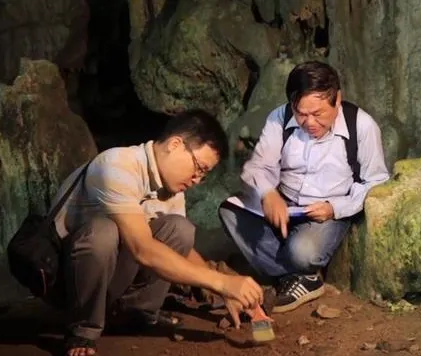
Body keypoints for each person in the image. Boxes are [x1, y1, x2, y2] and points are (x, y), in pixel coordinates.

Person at [48, 109, 264, 356]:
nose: (196, 179)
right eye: (199, 168)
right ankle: (83, 328)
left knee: (179, 229)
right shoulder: (116, 165)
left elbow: (178, 249)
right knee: (103, 232)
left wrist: (223, 291)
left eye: (204, 174)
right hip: (66, 280)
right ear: (175, 145)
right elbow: (143, 249)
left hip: (112, 276)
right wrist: (224, 282)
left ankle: (135, 314)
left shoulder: (172, 191)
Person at [219, 60, 390, 314]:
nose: (309, 122)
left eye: (318, 114)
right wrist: (268, 194)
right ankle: (301, 278)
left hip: (326, 212)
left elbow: (376, 181)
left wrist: (334, 208)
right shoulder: (280, 118)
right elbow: (258, 167)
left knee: (302, 251)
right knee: (229, 212)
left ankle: (287, 269)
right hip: (284, 207)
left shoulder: (361, 126)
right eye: (301, 113)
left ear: (337, 100)